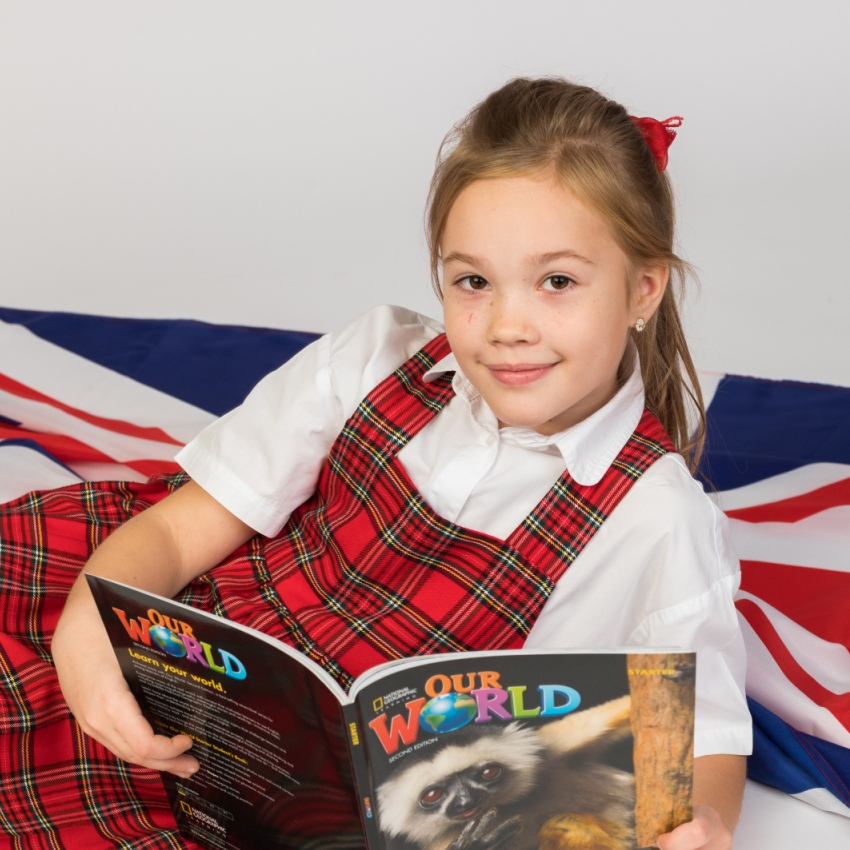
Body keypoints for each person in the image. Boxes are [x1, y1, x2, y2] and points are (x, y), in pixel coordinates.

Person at [1, 77, 750, 849]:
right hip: (201, 658)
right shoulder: (377, 358)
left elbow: (708, 735)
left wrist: (706, 824)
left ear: (642, 290)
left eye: (557, 282)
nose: (507, 325)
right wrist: (86, 635)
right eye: (473, 281)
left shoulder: (655, 516)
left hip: (337, 794)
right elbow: (179, 528)